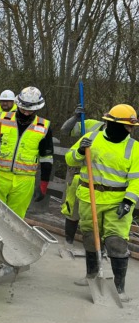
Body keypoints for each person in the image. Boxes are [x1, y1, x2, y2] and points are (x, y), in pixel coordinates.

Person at [65, 104, 139, 301]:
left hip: (117, 202)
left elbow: (136, 180)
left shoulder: (134, 148)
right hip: (90, 198)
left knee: (116, 242)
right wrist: (80, 151)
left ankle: (119, 287)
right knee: (90, 238)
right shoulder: (92, 139)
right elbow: (70, 159)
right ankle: (91, 275)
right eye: (127, 126)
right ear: (113, 124)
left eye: (131, 127)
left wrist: (129, 201)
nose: (130, 130)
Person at [0, 86, 54, 218]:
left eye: (30, 110)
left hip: (25, 181)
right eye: (24, 108)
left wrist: (43, 183)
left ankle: (9, 239)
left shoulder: (44, 127)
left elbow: (46, 158)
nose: (25, 113)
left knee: (15, 218)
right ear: (18, 104)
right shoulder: (2, 119)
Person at [59, 106, 105, 254]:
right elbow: (65, 130)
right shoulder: (92, 125)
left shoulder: (124, 137)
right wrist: (75, 118)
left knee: (97, 213)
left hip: (99, 177)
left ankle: (97, 247)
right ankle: (68, 242)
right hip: (78, 170)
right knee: (72, 208)